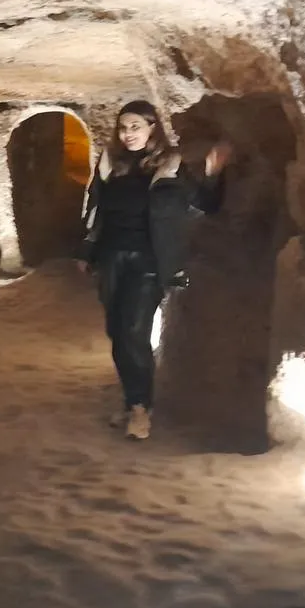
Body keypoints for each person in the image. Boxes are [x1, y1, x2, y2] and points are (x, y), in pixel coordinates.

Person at [76, 100, 230, 442]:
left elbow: (206, 204)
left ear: (152, 129)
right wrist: (86, 251)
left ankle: (142, 409)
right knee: (117, 334)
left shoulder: (171, 166)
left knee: (134, 331)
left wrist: (214, 173)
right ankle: (133, 402)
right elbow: (94, 208)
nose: (128, 134)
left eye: (136, 127)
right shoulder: (110, 164)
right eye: (123, 128)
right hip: (112, 256)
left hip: (149, 261)